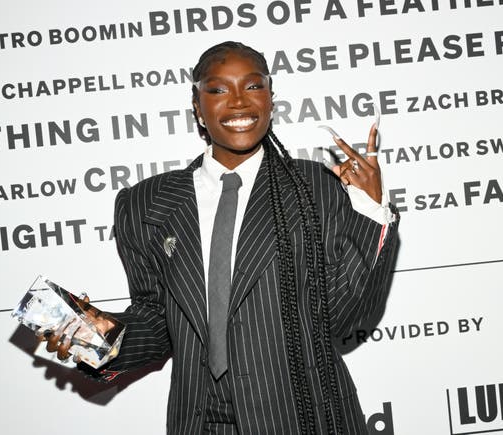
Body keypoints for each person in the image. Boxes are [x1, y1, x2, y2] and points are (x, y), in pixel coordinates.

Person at [45, 41, 399, 434]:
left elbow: (343, 316)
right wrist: (103, 336)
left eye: (253, 86)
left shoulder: (312, 187)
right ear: (197, 107)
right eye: (217, 89)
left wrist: (370, 209)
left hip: (304, 416)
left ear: (271, 99)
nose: (239, 101)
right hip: (200, 422)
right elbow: (157, 319)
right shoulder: (145, 204)